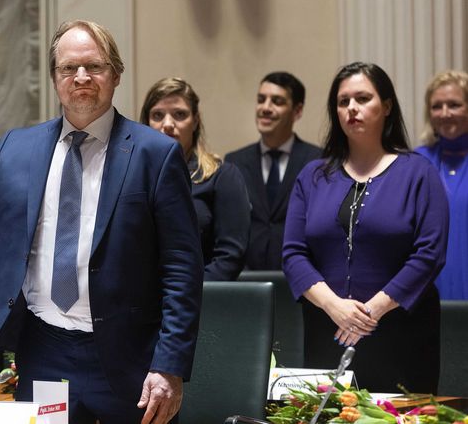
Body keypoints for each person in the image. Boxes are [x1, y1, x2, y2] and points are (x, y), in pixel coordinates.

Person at [0, 20, 203, 424]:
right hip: (43, 351)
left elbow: (182, 268)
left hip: (131, 358)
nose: (81, 78)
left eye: (94, 66)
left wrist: (170, 366)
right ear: (55, 78)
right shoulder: (19, 147)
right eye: (68, 68)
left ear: (117, 74)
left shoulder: (154, 154)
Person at [283, 62, 449, 393]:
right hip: (327, 328)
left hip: (401, 332)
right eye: (343, 102)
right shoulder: (313, 176)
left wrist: (370, 312)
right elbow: (293, 253)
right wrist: (334, 306)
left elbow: (430, 253)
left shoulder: (418, 172)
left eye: (362, 98)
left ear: (386, 106)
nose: (351, 109)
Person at [140, 77, 250, 280]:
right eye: (157, 115)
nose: (167, 124)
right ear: (146, 122)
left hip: (203, 299)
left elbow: (230, 258)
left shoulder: (223, 176)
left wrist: (182, 294)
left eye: (179, 114)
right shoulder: (132, 176)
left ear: (196, 120)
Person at [225, 72, 321, 271]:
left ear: (297, 111)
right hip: (247, 281)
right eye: (261, 100)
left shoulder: (319, 161)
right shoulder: (234, 162)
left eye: (276, 101)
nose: (265, 108)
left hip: (302, 279)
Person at [416, 70, 468, 300]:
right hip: (428, 285)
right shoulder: (415, 162)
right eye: (437, 106)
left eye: (454, 105)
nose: (445, 114)